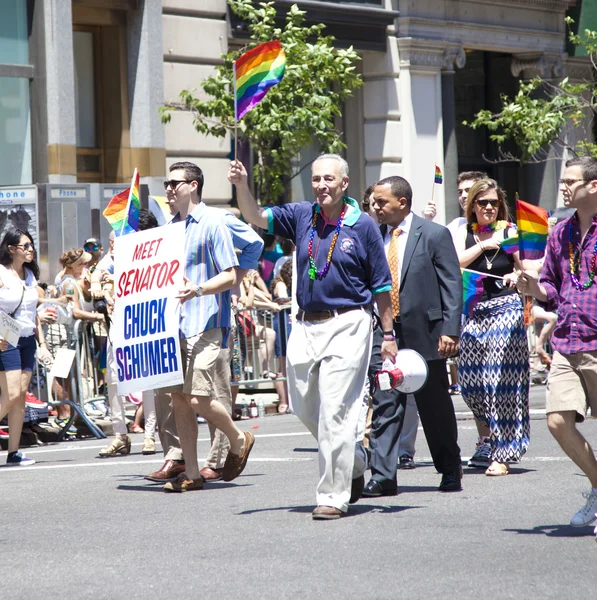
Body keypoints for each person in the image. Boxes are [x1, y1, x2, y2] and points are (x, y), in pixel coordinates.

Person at [229, 153, 397, 520]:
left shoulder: (364, 225)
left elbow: (382, 286)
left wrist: (388, 334)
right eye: (316, 179)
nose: (320, 185)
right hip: (304, 324)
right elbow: (257, 217)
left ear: (344, 183)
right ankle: (355, 458)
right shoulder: (302, 214)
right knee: (305, 407)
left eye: (328, 179)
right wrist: (242, 185)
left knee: (336, 409)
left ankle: (333, 496)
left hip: (349, 321)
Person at [157, 161, 255, 492]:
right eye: (166, 183)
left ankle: (238, 437)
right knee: (180, 400)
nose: (169, 188)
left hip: (207, 322)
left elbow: (230, 273)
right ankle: (193, 473)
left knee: (198, 398)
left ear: (194, 185)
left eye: (175, 183)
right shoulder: (169, 228)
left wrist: (197, 289)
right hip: (175, 324)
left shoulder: (214, 222)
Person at [364, 176, 463, 496]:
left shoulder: (433, 234)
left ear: (402, 203)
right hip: (386, 334)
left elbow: (451, 285)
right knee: (385, 403)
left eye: (381, 201)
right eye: (374, 202)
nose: (374, 206)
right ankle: (382, 476)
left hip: (427, 335)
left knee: (434, 406)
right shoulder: (372, 235)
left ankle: (449, 468)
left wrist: (450, 330)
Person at [518, 156, 597, 527]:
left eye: (570, 181)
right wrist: (531, 286)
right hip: (567, 340)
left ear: (592, 186)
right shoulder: (560, 232)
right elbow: (550, 285)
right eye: (563, 181)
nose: (563, 187)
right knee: (556, 421)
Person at [455, 178, 530, 476]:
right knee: (470, 382)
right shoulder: (463, 232)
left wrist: (516, 275)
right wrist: (484, 245)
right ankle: (494, 435)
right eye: (482, 202)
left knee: (501, 382)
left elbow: (524, 267)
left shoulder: (509, 231)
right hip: (474, 311)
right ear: (472, 205)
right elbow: (452, 263)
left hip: (505, 308)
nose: (488, 208)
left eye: (494, 203)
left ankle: (503, 451)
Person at [0, 229, 52, 465]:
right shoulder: (1, 273)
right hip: (5, 339)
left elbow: (33, 315)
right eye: (26, 245)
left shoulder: (31, 275)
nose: (31, 249)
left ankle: (13, 452)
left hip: (27, 339)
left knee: (20, 397)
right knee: (10, 395)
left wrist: (42, 344)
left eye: (32, 245)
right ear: (11, 249)